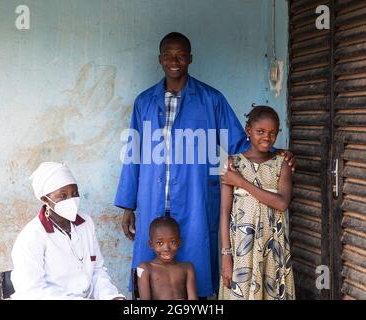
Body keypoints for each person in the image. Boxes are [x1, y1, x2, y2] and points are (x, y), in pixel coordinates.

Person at [114, 32, 295, 298]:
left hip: (195, 197)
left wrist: (277, 152)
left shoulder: (211, 100)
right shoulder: (144, 102)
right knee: (151, 267)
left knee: (195, 265)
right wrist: (129, 205)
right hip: (152, 197)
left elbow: (238, 143)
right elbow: (134, 155)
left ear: (190, 58)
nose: (174, 61)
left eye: (181, 55)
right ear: (160, 59)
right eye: (168, 55)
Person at [10, 162, 125, 300]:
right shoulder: (32, 236)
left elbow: (96, 270)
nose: (71, 200)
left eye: (75, 193)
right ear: (45, 199)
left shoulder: (86, 223)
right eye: (63, 196)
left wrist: (110, 296)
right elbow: (32, 292)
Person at [218, 105, 295, 300]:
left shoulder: (282, 163)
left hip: (273, 246)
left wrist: (241, 182)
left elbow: (282, 203)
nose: (266, 137)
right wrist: (226, 255)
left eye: (272, 133)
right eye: (260, 131)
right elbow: (224, 213)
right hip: (241, 249)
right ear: (248, 132)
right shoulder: (232, 163)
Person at [137, 216, 198, 300]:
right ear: (151, 244)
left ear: (179, 243)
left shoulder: (187, 268)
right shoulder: (145, 268)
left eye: (172, 242)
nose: (166, 248)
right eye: (160, 243)